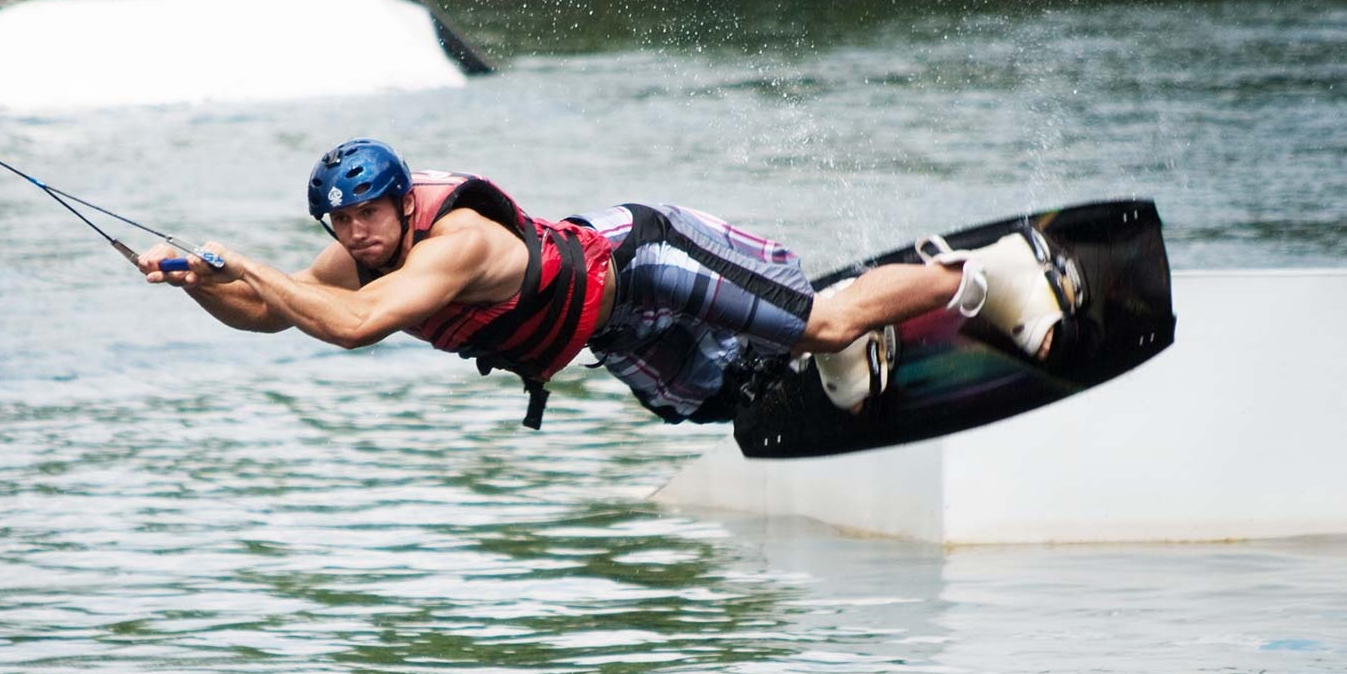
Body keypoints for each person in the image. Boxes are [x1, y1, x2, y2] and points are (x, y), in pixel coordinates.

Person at [137, 138, 1083, 428]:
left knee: (822, 322)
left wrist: (247, 258)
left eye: (367, 216)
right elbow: (275, 319)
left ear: (397, 202)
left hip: (645, 262)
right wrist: (194, 279)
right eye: (339, 225)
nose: (354, 235)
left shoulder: (454, 241)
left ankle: (982, 274)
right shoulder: (364, 252)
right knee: (715, 403)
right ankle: (862, 344)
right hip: (603, 327)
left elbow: (351, 327)